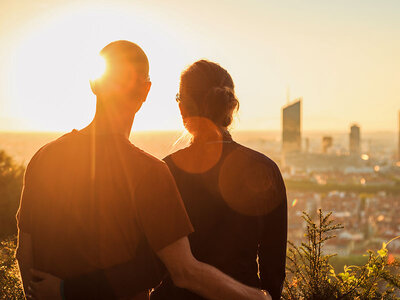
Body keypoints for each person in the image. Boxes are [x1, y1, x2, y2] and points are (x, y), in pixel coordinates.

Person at [15, 41, 270, 300]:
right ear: (146, 91)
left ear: (94, 83)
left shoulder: (44, 157)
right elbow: (184, 271)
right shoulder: (150, 173)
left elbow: (24, 253)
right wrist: (257, 297)